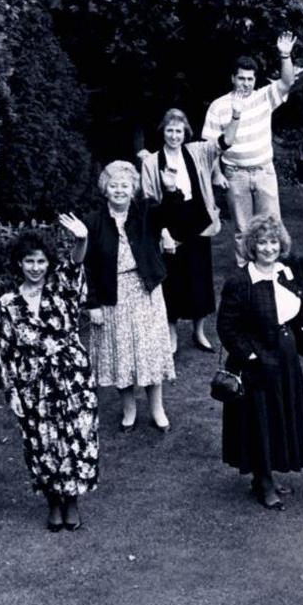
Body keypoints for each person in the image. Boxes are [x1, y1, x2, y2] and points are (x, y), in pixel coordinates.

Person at [216, 210, 303, 510]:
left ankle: (268, 475)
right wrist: (250, 356)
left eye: (274, 242)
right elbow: (227, 327)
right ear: (252, 246)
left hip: (285, 357)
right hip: (256, 363)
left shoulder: (287, 268)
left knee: (280, 416)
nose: (269, 248)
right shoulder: (240, 281)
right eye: (262, 243)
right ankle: (263, 482)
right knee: (259, 421)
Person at [0, 219, 98, 533]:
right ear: (19, 263)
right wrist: (12, 392)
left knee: (76, 437)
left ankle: (73, 500)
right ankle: (54, 501)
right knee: (41, 441)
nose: (35, 267)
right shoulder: (6, 305)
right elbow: (5, 351)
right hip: (33, 383)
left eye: (41, 261)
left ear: (49, 263)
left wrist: (83, 238)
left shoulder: (62, 287)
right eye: (29, 261)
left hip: (73, 377)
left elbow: (76, 262)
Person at [82, 161, 176, 432]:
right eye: (114, 186)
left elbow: (170, 215)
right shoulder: (94, 221)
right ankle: (129, 409)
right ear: (105, 189)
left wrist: (170, 190)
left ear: (133, 188)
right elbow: (87, 267)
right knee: (121, 353)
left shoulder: (144, 211)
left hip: (145, 289)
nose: (119, 190)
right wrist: (93, 304)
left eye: (125, 185)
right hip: (114, 293)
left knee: (149, 351)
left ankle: (157, 409)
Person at [139, 107, 240, 353]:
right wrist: (162, 231)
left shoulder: (197, 151)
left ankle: (199, 331)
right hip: (168, 224)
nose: (175, 135)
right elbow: (149, 201)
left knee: (199, 278)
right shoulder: (151, 162)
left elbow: (224, 142)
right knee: (172, 280)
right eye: (170, 130)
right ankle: (172, 336)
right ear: (164, 132)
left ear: (186, 132)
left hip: (196, 220)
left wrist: (235, 117)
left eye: (179, 131)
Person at [201, 34, 297, 266]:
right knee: (243, 228)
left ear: (255, 80)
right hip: (236, 174)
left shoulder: (264, 97)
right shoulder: (218, 106)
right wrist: (216, 173)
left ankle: (277, 271)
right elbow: (210, 147)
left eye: (250, 79)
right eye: (241, 79)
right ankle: (245, 275)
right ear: (233, 78)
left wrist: (285, 55)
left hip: (264, 171)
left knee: (272, 224)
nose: (246, 83)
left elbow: (287, 82)